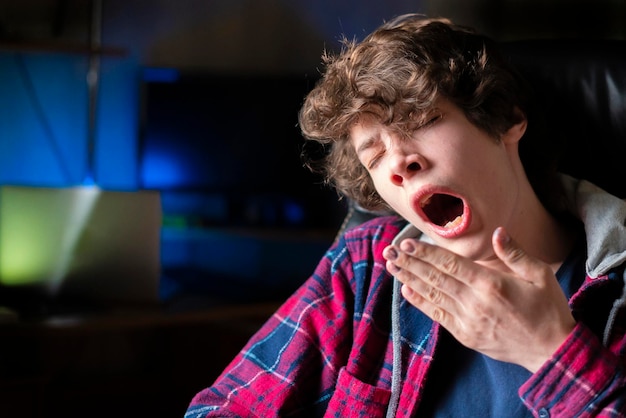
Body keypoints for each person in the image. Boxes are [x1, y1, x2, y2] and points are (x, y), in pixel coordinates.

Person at [185, 14, 626, 417]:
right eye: (374, 156)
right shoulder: (366, 267)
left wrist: (548, 349)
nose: (398, 164)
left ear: (505, 118)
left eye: (422, 121)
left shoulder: (618, 292)